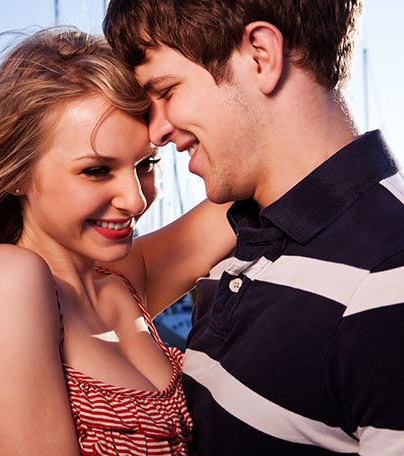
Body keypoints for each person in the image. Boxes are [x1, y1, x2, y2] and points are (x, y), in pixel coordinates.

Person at [0, 28, 234, 455]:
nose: (135, 200)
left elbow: (273, 176)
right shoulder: (8, 279)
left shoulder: (120, 282)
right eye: (96, 171)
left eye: (145, 165)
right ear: (16, 174)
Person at [103, 1, 404, 454]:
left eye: (165, 90)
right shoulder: (245, 226)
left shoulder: (389, 276)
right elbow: (96, 286)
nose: (156, 131)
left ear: (261, 55)